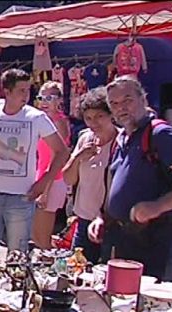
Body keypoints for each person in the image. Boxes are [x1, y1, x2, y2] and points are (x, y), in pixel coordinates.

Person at [88, 77, 172, 279]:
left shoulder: (161, 134)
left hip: (149, 239)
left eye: (127, 100)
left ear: (143, 98)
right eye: (115, 103)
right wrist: (102, 217)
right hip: (119, 238)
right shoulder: (122, 137)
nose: (121, 108)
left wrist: (157, 206)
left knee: (143, 303)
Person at [0, 69, 68, 255]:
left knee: (18, 255)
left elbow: (62, 151)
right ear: (7, 91)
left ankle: (15, 284)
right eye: (21, 90)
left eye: (28, 90)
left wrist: (44, 181)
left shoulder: (36, 118)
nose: (26, 95)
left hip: (22, 197)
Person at [62, 87, 120, 263]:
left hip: (110, 224)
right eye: (88, 118)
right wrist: (79, 157)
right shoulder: (84, 138)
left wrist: (103, 216)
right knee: (77, 274)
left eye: (99, 116)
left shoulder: (122, 141)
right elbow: (68, 178)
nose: (93, 123)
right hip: (83, 221)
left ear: (111, 115)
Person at [31, 81, 71, 249]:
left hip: (52, 181)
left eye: (50, 97)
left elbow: (57, 157)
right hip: (42, 179)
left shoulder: (59, 123)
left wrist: (45, 191)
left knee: (42, 238)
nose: (44, 102)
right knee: (35, 234)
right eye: (41, 98)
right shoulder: (43, 121)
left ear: (59, 100)